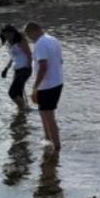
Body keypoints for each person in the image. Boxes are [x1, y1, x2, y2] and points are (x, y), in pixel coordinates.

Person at [25, 22, 64, 152]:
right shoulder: (53, 39)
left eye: (28, 35)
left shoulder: (40, 44)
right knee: (44, 112)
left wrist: (35, 88)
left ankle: (56, 147)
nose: (29, 38)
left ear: (34, 31)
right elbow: (60, 61)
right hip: (58, 82)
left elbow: (43, 66)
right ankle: (48, 139)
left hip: (47, 85)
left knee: (48, 116)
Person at [0, 24, 32, 111]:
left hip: (24, 69)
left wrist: (27, 68)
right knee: (18, 93)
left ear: (13, 33)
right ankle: (22, 112)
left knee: (12, 93)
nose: (7, 37)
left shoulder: (21, 41)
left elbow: (29, 54)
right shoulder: (10, 43)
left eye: (9, 34)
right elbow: (13, 57)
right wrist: (6, 68)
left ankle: (25, 109)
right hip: (17, 70)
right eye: (5, 35)